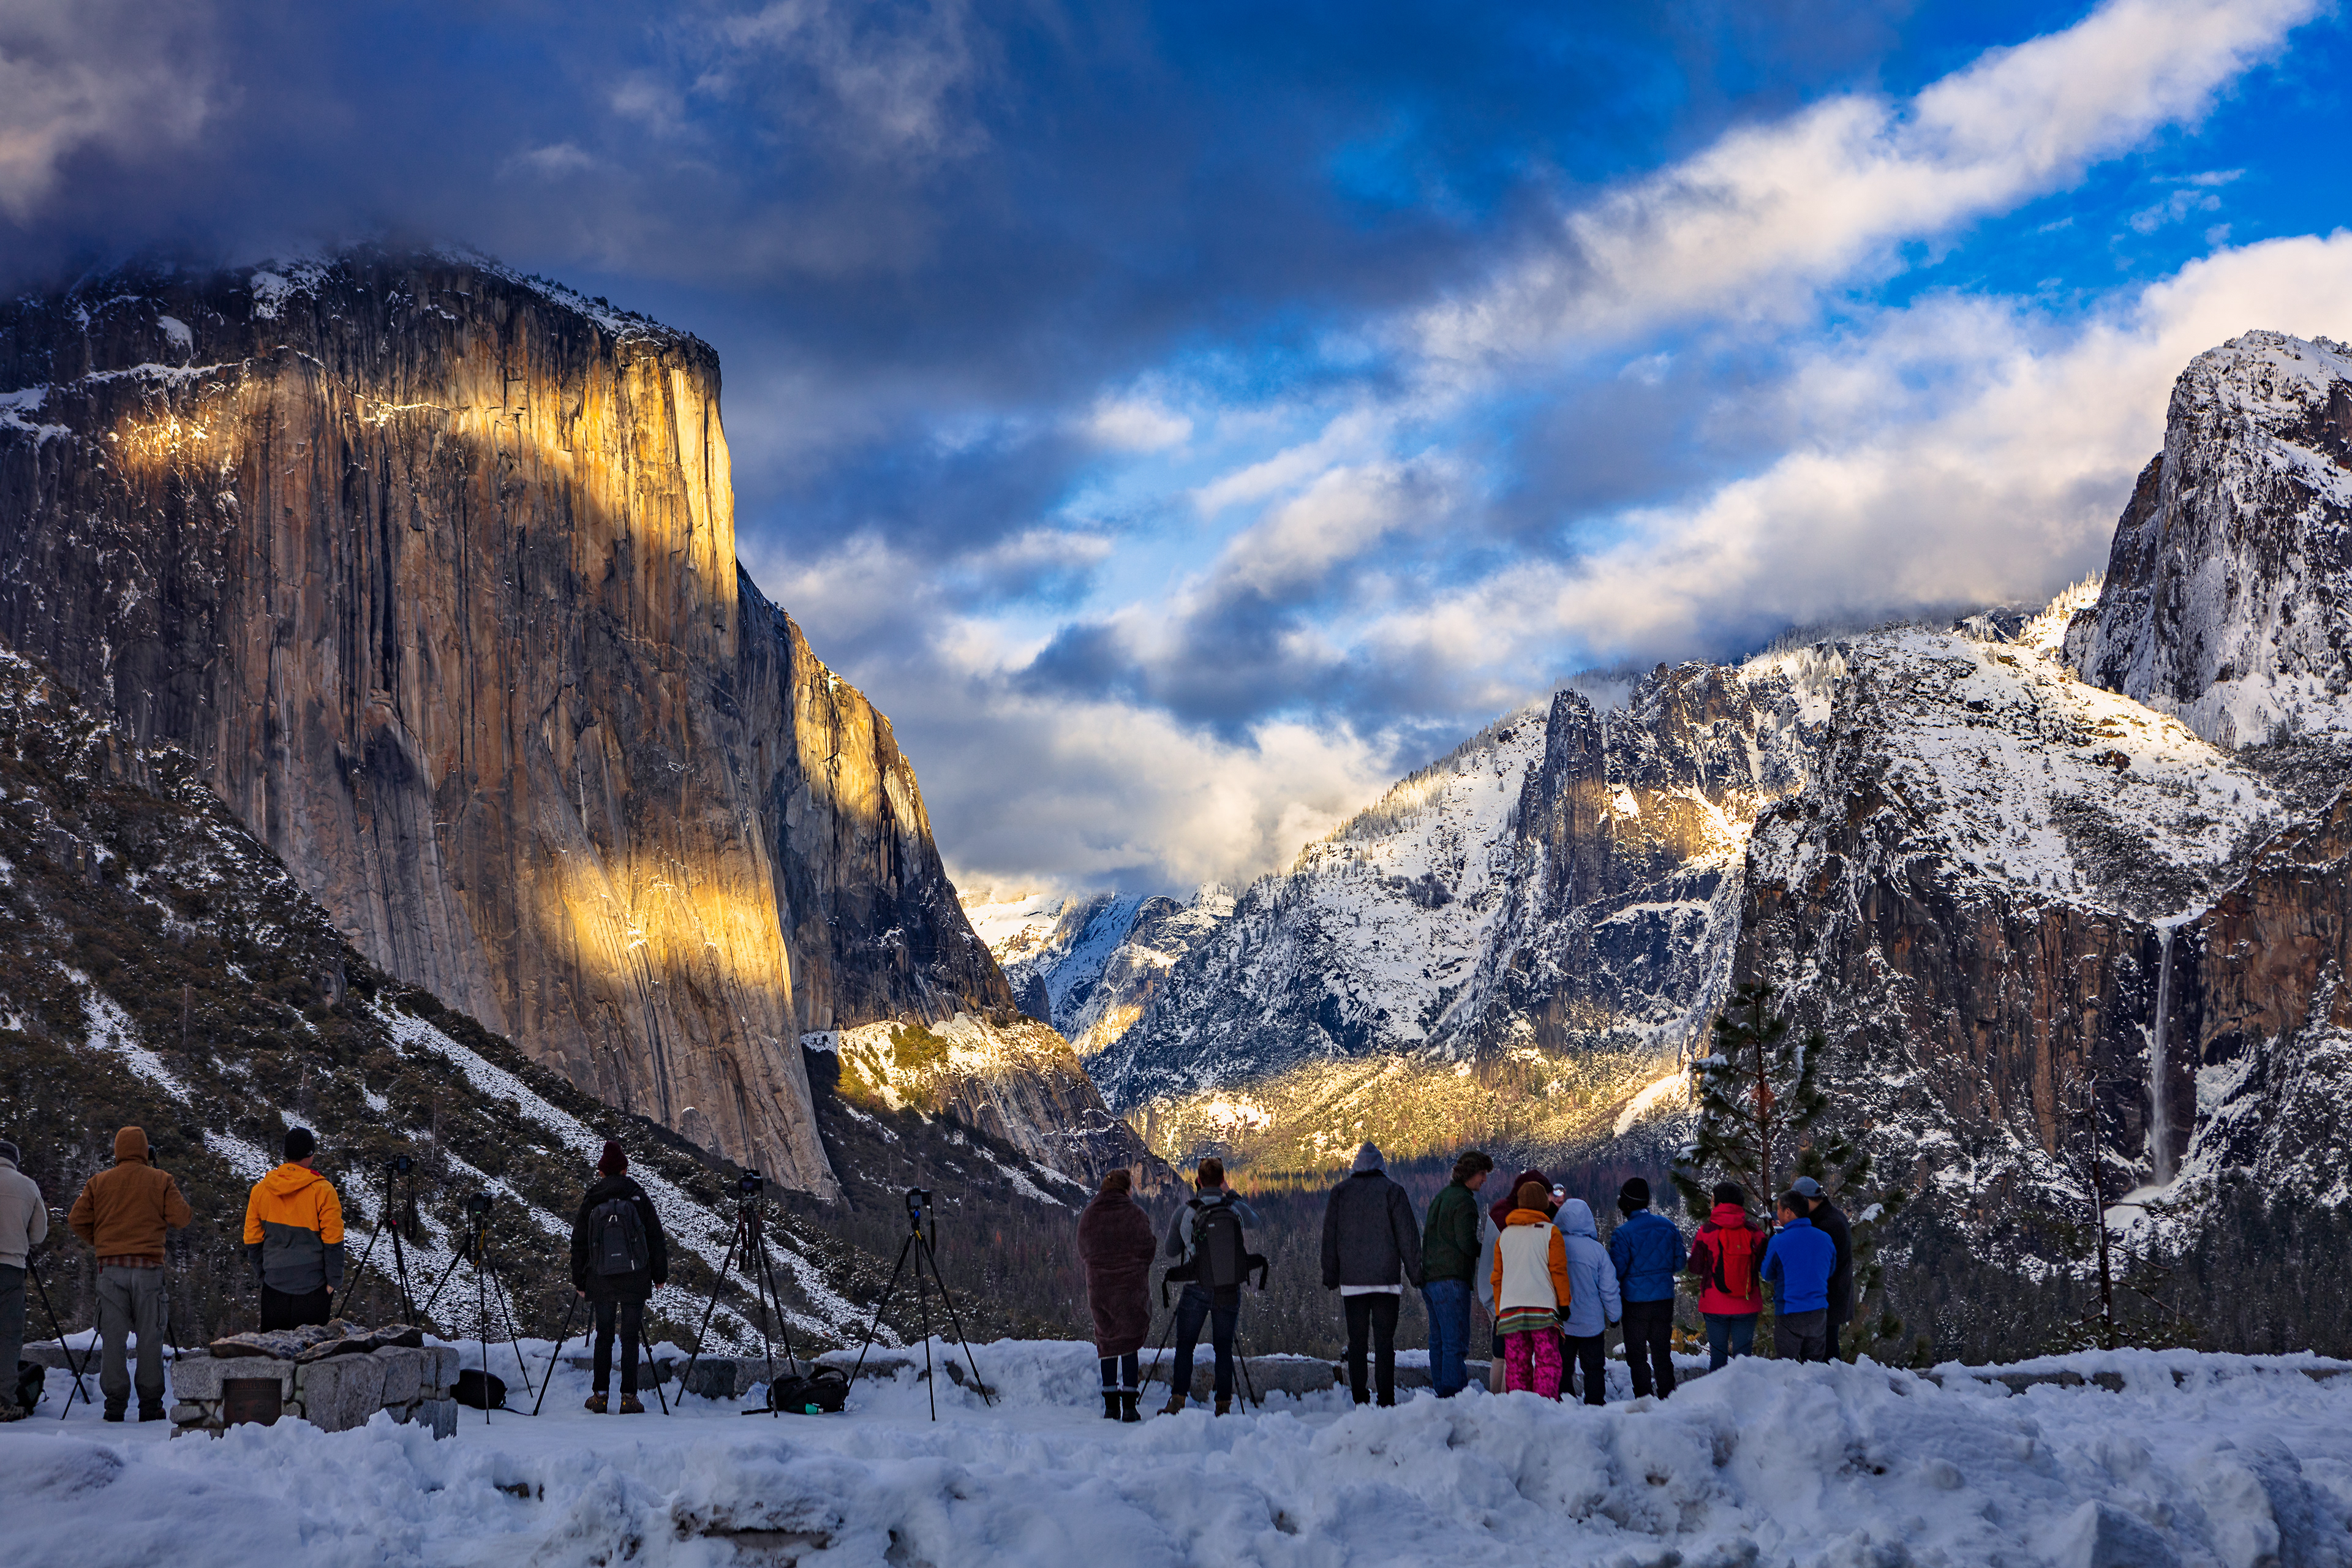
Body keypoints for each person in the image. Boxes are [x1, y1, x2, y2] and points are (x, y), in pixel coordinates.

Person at [67, 1126, 192, 1421]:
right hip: (148, 1270)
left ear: (118, 1151)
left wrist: (103, 1243)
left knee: (113, 1338)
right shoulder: (161, 1180)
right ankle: (150, 1405)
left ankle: (114, 1406)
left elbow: (76, 1219)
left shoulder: (99, 1182)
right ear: (145, 1151)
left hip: (110, 1269)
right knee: (150, 1337)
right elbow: (182, 1217)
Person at [1320, 1142, 1423, 1408]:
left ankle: (1360, 1398)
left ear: (1356, 1166)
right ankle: (1386, 1399)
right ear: (1381, 1167)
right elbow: (1408, 1236)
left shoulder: (1340, 1192)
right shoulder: (1393, 1191)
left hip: (1352, 1283)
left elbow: (1330, 1237)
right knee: (1384, 1342)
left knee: (1357, 1342)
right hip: (1386, 1282)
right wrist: (1416, 1274)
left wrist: (1331, 1275)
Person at [570, 1139, 668, 1413]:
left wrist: (580, 1280)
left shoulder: (593, 1198)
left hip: (600, 1277)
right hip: (635, 1278)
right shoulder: (638, 1196)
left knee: (604, 1336)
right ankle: (629, 1398)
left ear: (601, 1172)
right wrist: (659, 1275)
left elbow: (579, 1242)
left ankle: (600, 1397)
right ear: (625, 1170)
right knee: (630, 1337)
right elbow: (655, 1238)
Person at [1161, 1158, 1259, 1415]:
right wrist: (1230, 1192)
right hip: (1229, 1287)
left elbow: (1170, 1251)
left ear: (1198, 1181)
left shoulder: (1185, 1212)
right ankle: (1223, 1405)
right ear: (1222, 1179)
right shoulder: (1234, 1208)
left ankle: (1178, 1400)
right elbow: (1255, 1220)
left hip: (1197, 1287)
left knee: (1185, 1345)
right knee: (1223, 1347)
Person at [242, 1126, 344, 1332]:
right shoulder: (323, 1191)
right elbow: (334, 1241)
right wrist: (333, 1282)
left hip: (274, 1286)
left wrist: (264, 1275)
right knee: (311, 1347)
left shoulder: (261, 1190)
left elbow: (252, 1239)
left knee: (272, 1347)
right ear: (311, 1154)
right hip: (313, 1288)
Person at [1076, 1167, 1155, 1422]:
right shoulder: (1136, 1214)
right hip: (1130, 1290)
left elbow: (1083, 1250)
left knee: (1107, 1341)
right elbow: (1148, 1250)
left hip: (1100, 1288)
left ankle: (1110, 1407)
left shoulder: (1089, 1215)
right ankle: (1130, 1407)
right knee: (1129, 1343)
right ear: (1126, 1189)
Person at [1488, 1179, 1572, 1398]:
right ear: (1543, 1203)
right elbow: (1558, 1271)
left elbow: (1497, 1278)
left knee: (1517, 1363)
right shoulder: (1551, 1232)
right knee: (1548, 1361)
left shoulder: (1504, 1237)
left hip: (1510, 1310)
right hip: (1543, 1309)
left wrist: (1499, 1311)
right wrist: (1564, 1303)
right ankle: (1545, 1403)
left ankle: (1519, 1404)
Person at [1420, 1149, 1493, 1399]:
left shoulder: (1442, 1196)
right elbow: (1467, 1243)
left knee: (1438, 1340)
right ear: (1470, 1173)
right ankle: (1454, 1396)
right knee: (1455, 1341)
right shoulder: (1465, 1202)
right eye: (1482, 1173)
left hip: (1431, 1279)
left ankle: (1442, 1391)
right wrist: (1490, 1251)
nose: (1485, 1179)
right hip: (1452, 1280)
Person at [1608, 1177, 1683, 1400]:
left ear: (1627, 1204)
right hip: (1664, 1299)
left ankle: (1644, 1398)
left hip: (1635, 1303)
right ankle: (1668, 1396)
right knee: (1662, 1352)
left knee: (1637, 1354)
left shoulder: (1623, 1234)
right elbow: (1680, 1262)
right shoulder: (1668, 1226)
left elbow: (1616, 1271)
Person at [1483, 1167, 1553, 1391]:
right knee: (1511, 1354)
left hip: (1491, 1289)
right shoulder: (1514, 1220)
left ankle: (1495, 1399)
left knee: (1499, 1354)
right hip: (1506, 1295)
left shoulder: (1500, 1209)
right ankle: (1507, 1401)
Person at [1685, 1182, 1765, 1371]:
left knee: (1718, 1358)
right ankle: (1744, 1389)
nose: (1710, 1203)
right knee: (1743, 1361)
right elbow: (1763, 1264)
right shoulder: (1754, 1231)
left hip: (1715, 1304)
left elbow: (1695, 1267)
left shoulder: (1706, 1232)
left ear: (1720, 1204)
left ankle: (1718, 1389)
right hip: (1747, 1302)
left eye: (1712, 1199)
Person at [1555, 1198, 1621, 1405]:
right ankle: (1594, 1401)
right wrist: (1614, 1315)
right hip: (1591, 1322)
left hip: (1562, 1321)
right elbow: (1609, 1288)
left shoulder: (1555, 1246)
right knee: (1594, 1367)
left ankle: (1564, 1401)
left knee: (1563, 1366)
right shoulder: (1597, 1251)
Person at [1, 1137, 48, 1422]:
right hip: (11, 1268)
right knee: (8, 1335)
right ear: (14, 1161)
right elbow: (38, 1234)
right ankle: (3, 1401)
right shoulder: (27, 1186)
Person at [1763, 1191, 1838, 1363]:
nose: (1777, 1214)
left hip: (1790, 1311)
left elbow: (1767, 1274)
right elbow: (1830, 1270)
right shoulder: (1825, 1239)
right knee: (1814, 1366)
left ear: (1788, 1212)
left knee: (1787, 1366)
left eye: (1779, 1209)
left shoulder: (1779, 1242)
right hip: (1818, 1311)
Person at [1793, 1175, 1854, 1359]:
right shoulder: (1831, 1216)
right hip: (1832, 1296)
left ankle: (1831, 1377)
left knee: (1825, 1351)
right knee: (1827, 1348)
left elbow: (1813, 1264)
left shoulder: (1827, 1226)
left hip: (1827, 1298)